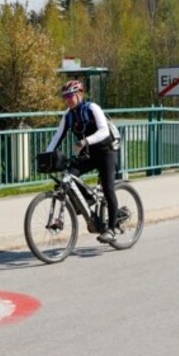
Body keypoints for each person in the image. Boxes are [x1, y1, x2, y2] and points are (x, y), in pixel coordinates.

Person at [45, 79, 119, 244]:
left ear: (79, 94)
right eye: (64, 97)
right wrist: (46, 155)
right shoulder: (68, 116)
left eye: (70, 96)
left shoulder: (92, 108)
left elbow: (104, 131)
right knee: (69, 176)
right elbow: (57, 137)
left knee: (108, 189)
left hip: (106, 152)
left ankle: (112, 229)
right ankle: (87, 200)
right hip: (89, 154)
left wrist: (85, 141)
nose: (67, 100)